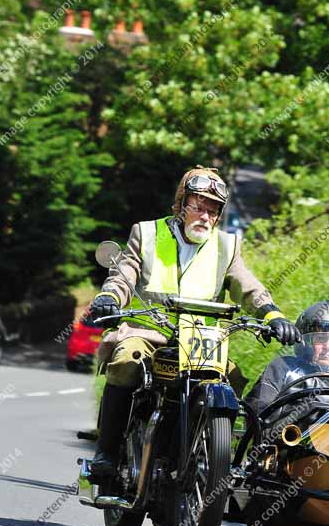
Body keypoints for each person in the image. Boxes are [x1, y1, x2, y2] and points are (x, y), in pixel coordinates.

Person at [89, 165, 301, 479]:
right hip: (151, 331)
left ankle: (210, 459)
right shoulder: (146, 233)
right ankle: (106, 453)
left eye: (213, 210)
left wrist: (272, 314)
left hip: (202, 340)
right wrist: (109, 298)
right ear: (181, 204)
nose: (205, 216)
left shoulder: (226, 246)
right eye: (198, 206)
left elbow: (247, 285)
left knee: (232, 378)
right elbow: (124, 276)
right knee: (126, 360)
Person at [244, 301, 329, 418]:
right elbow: (258, 411)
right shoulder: (285, 368)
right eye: (321, 338)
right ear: (305, 342)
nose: (328, 347)